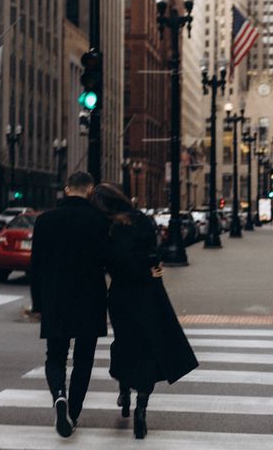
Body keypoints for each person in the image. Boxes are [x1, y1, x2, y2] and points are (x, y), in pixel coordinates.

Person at [90, 183, 199, 439]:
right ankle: (141, 407)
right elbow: (154, 254)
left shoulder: (109, 228)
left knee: (125, 345)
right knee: (148, 348)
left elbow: (110, 261)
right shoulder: (142, 221)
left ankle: (125, 391)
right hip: (148, 292)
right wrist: (153, 272)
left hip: (121, 295)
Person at [31, 171, 108, 438]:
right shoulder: (99, 221)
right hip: (90, 299)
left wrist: (37, 303)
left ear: (67, 190)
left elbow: (36, 267)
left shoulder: (44, 221)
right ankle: (73, 414)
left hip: (55, 298)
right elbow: (109, 263)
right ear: (90, 191)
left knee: (55, 356)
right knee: (83, 360)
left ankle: (59, 397)